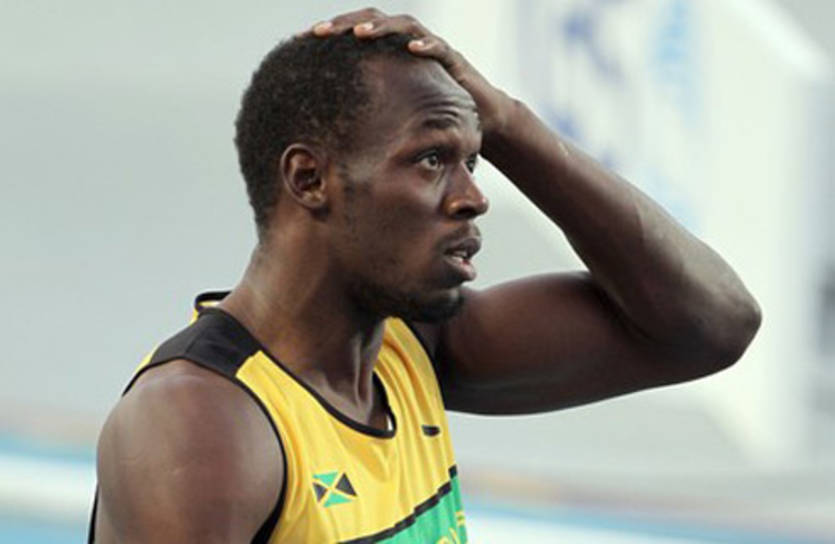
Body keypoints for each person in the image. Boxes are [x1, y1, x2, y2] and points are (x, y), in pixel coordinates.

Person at [89, 8, 761, 544]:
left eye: (474, 160)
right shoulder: (202, 424)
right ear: (309, 178)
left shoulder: (408, 352)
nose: (472, 197)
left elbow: (710, 326)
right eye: (432, 160)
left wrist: (506, 121)